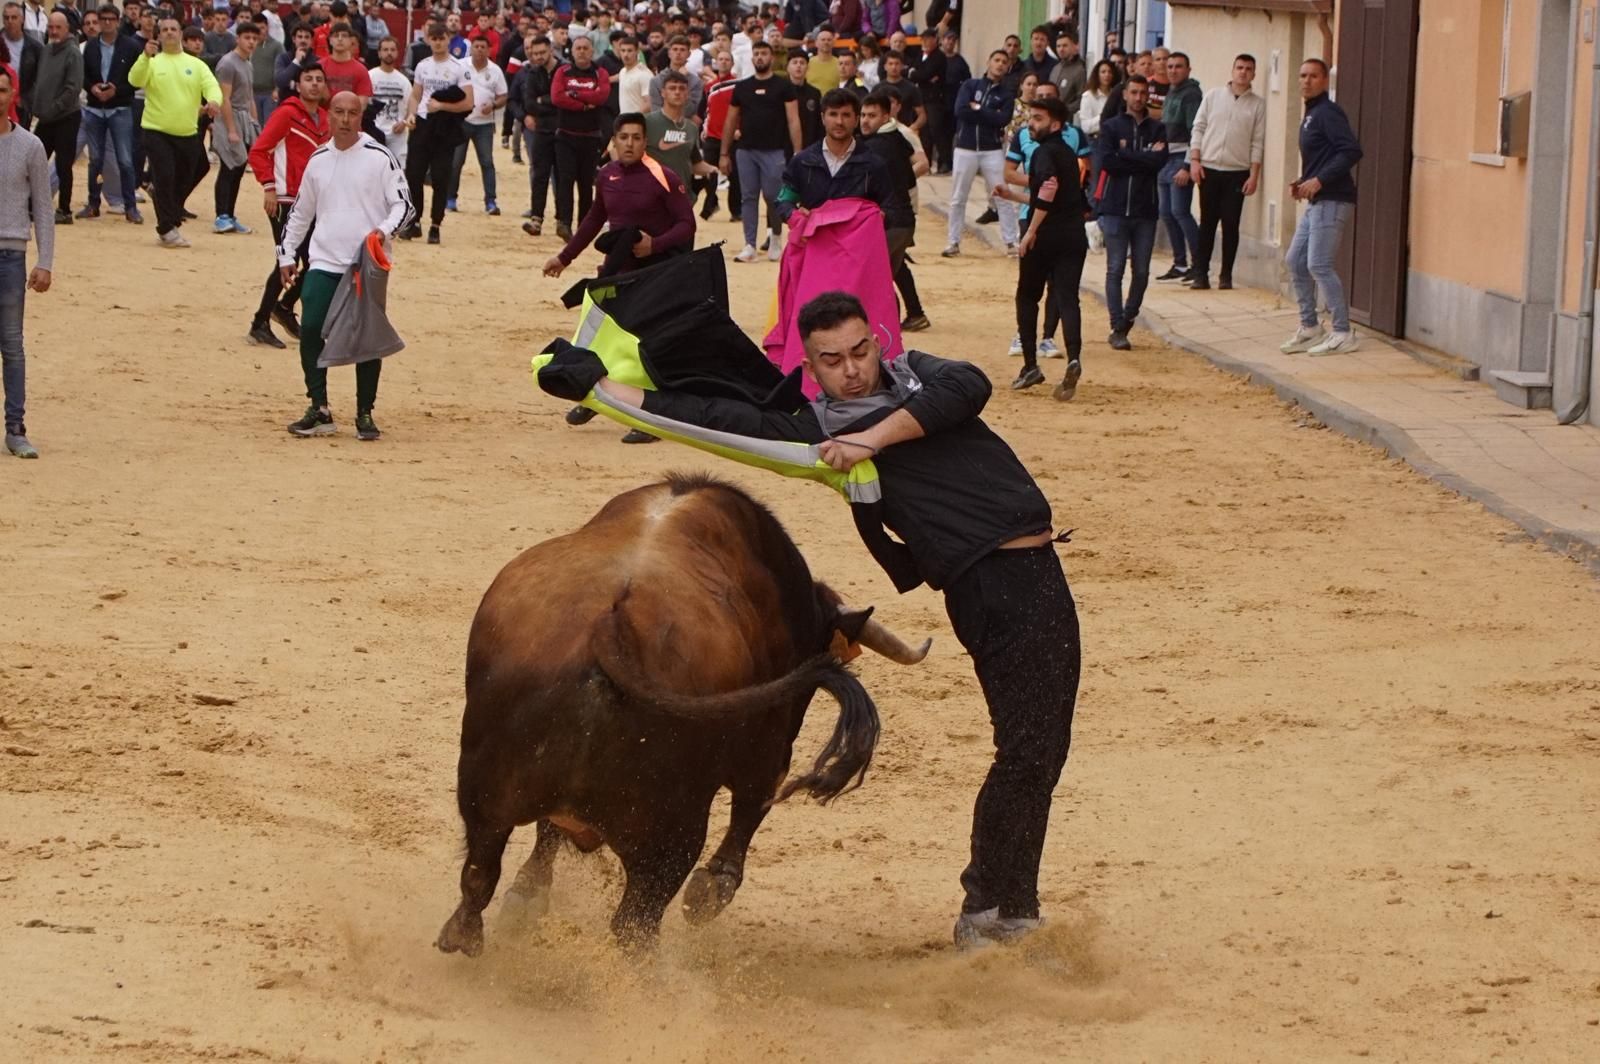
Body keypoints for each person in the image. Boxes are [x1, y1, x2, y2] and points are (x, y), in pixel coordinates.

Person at [550, 289, 1080, 950]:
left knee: (1038, 750)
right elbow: (711, 418)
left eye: (860, 351)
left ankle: (1001, 907)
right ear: (811, 366)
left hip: (1038, 571)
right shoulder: (815, 432)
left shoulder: (917, 377)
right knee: (1029, 750)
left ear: (878, 341)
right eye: (832, 360)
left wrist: (871, 440)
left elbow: (969, 387)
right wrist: (600, 389)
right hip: (994, 584)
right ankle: (999, 913)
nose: (852, 369)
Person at [278, 90, 411, 442]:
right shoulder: (318, 159)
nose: (345, 119)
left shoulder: (379, 157)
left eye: (352, 113)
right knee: (310, 327)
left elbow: (404, 206)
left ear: (361, 115)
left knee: (368, 338)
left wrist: (380, 232)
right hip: (324, 259)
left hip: (366, 262)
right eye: (339, 112)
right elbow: (301, 211)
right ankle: (319, 407)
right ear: (329, 115)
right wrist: (287, 253)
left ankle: (364, 412)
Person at [994, 94, 1086, 398]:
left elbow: (1047, 190)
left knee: (1027, 297)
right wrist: (1013, 197)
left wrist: (1031, 230)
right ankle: (1073, 358)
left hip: (1046, 236)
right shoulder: (1068, 155)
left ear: (1055, 124)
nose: (1031, 124)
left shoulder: (1044, 153)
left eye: (1038, 119)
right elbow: (1052, 196)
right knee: (1067, 297)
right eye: (1031, 117)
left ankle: (1031, 364)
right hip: (1073, 235)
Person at [543, 110, 695, 281]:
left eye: (636, 138)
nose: (629, 144)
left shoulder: (665, 177)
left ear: (645, 142)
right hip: (616, 269)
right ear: (614, 141)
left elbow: (687, 224)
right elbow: (594, 219)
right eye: (623, 137)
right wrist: (564, 258)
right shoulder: (606, 175)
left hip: (656, 273)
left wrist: (654, 245)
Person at [1281, 58, 1363, 356]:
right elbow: (1324, 157)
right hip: (1317, 199)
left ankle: (1343, 331)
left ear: (1325, 80)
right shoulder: (1311, 114)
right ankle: (1311, 327)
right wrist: (1305, 181)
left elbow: (1351, 150)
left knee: (1318, 264)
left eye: (1313, 76)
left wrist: (1320, 180)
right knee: (1295, 260)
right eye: (1302, 75)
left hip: (1333, 199)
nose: (1306, 81)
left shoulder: (1328, 113)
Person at [247, 59, 330, 348]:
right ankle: (261, 321)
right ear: (299, 84)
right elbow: (258, 151)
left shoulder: (325, 119)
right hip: (283, 198)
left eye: (319, 79)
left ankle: (281, 308)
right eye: (309, 79)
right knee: (288, 259)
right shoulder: (286, 115)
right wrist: (269, 187)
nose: (315, 84)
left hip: (311, 202)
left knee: (316, 259)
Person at [128, 15, 221, 249]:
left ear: (180, 34)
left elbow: (211, 85)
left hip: (187, 131)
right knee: (165, 176)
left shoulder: (195, 64)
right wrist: (144, 57)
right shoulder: (152, 62)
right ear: (159, 35)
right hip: (155, 130)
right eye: (165, 29)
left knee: (185, 177)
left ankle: (168, 210)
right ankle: (167, 228)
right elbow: (134, 79)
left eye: (173, 29)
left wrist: (213, 101)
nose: (169, 32)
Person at [0, 63, 51, 458]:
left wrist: (45, 260)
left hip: (10, 255)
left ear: (12, 95)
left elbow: (43, 210)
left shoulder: (30, 146)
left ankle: (15, 428)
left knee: (12, 345)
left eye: (2, 90)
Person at [1095, 74, 1164, 350]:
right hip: (1114, 208)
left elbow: (1158, 162)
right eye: (1133, 92)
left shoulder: (1157, 129)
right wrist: (1142, 158)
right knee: (1115, 269)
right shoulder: (1111, 127)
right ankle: (1116, 324)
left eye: (1142, 93)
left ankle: (1128, 317)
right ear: (1124, 95)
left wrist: (1129, 157)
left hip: (1145, 209)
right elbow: (1108, 163)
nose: (1138, 97)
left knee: (1142, 271)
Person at [718, 39, 801, 264]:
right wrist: (724, 153)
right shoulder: (742, 87)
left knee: (774, 197)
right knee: (748, 197)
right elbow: (730, 121)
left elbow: (793, 120)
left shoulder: (783, 86)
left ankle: (775, 237)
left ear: (771, 57)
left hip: (774, 150)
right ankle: (750, 244)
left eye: (764, 53)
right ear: (752, 57)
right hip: (746, 150)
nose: (760, 58)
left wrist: (798, 152)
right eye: (757, 54)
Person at [1187, 53, 1265, 291]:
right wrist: (1195, 161)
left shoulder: (1258, 104)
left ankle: (1226, 275)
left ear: (1254, 74)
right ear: (1232, 70)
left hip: (1237, 171)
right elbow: (1198, 128)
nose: (1243, 72)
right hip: (1209, 168)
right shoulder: (1212, 97)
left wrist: (1254, 175)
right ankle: (1200, 273)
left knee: (1231, 224)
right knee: (1207, 223)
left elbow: (1257, 141)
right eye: (1239, 67)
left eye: (1248, 69)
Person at [399, 21, 473, 246]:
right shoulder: (423, 65)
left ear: (448, 40)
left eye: (442, 38)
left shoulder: (459, 68)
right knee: (414, 174)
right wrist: (411, 114)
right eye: (435, 38)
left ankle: (435, 224)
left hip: (446, 125)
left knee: (441, 176)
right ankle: (416, 221)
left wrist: (442, 107)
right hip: (423, 122)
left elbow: (469, 102)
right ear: (429, 40)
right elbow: (415, 95)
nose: (438, 42)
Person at [859, 89, 928, 332]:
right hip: (905, 221)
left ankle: (886, 330)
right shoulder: (898, 139)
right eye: (863, 115)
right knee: (890, 273)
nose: (865, 120)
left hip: (889, 222)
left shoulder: (874, 146)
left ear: (886, 116)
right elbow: (910, 178)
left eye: (872, 115)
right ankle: (910, 317)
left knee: (874, 280)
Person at [775, 87, 890, 220]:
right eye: (833, 114)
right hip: (813, 238)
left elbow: (891, 207)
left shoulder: (874, 165)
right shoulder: (802, 161)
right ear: (823, 118)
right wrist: (793, 215)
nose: (839, 122)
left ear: (856, 120)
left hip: (855, 239)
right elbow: (783, 201)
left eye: (846, 115)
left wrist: (882, 217)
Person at [943, 49, 1016, 258]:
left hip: (991, 149)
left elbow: (1002, 120)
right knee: (958, 197)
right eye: (997, 60)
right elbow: (961, 110)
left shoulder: (1006, 94)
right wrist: (988, 113)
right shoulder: (970, 85)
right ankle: (953, 242)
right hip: (965, 147)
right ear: (988, 62)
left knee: (1002, 194)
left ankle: (1011, 241)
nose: (1000, 64)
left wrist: (978, 109)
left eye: (1004, 62)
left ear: (1008, 67)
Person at [77, 3, 141, 223]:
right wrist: (91, 87)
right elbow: (82, 74)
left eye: (110, 19)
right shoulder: (90, 47)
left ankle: (130, 206)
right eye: (102, 18)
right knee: (95, 160)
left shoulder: (131, 47)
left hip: (120, 108)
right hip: (95, 108)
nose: (106, 22)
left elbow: (136, 79)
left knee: (125, 160)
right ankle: (93, 204)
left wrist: (117, 90)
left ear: (118, 20)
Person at [549, 34, 609, 242]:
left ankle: (584, 226)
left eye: (586, 48)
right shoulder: (562, 72)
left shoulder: (600, 72)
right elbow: (557, 97)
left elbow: (602, 96)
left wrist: (573, 94)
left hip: (591, 136)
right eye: (578, 48)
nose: (582, 51)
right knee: (565, 181)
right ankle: (563, 222)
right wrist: (584, 104)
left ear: (592, 51)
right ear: (572, 51)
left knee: (586, 184)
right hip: (565, 135)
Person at [1154, 51, 1200, 285]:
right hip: (1166, 158)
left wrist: (1186, 165)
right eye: (1170, 66)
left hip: (1181, 159)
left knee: (1180, 211)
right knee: (1166, 212)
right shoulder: (1172, 91)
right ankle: (1180, 262)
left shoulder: (1191, 94)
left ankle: (1199, 264)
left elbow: (1196, 131)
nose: (1172, 70)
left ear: (1188, 69)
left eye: (1178, 66)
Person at [30, 11, 80, 224]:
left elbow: (72, 89)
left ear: (67, 28)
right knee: (34, 163)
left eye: (57, 27)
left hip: (66, 117)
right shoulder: (46, 50)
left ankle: (65, 210)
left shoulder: (73, 53)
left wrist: (52, 109)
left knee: (63, 165)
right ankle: (31, 207)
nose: (53, 31)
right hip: (45, 117)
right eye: (50, 27)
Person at [450, 33, 507, 216]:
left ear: (489, 50)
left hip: (484, 124)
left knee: (487, 162)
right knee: (456, 162)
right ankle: (450, 198)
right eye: (477, 46)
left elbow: (503, 96)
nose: (480, 50)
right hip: (462, 121)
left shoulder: (495, 70)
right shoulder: (460, 66)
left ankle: (491, 201)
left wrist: (493, 105)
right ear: (471, 48)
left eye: (483, 47)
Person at [212, 21, 261, 235]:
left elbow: (249, 96)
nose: (251, 42)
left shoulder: (248, 64)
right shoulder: (227, 64)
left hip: (244, 119)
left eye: (254, 39)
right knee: (228, 167)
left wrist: (254, 123)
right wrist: (231, 130)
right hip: (228, 118)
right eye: (247, 38)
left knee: (239, 169)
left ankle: (230, 214)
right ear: (237, 39)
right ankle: (221, 215)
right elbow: (225, 99)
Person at [643, 69, 714, 193]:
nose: (677, 92)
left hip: (681, 196)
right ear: (663, 93)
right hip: (651, 195)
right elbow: (617, 148)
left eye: (682, 88)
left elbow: (695, 163)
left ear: (687, 94)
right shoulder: (646, 122)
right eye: (672, 88)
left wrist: (714, 171)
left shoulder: (691, 128)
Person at [518, 33, 556, 236]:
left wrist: (544, 101)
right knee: (539, 175)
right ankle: (536, 219)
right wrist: (548, 102)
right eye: (535, 54)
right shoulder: (532, 73)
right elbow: (529, 103)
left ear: (551, 50)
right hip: (542, 129)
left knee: (562, 178)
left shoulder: (563, 70)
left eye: (542, 52)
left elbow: (562, 99)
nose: (539, 57)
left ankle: (563, 220)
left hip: (560, 130)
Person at [699, 46, 736, 219]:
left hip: (733, 136)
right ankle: (711, 204)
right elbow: (707, 111)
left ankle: (736, 211)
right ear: (715, 63)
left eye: (727, 59)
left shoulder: (738, 85)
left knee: (735, 177)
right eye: (720, 59)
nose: (723, 62)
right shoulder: (709, 87)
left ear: (732, 63)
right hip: (712, 135)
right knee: (709, 174)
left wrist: (739, 130)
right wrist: (705, 128)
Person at [368, 35, 411, 169]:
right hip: (373, 132)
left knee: (396, 172)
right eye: (385, 49)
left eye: (392, 50)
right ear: (379, 53)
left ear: (397, 53)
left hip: (396, 134)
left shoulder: (404, 81)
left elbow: (411, 107)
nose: (389, 53)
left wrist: (404, 123)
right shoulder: (370, 76)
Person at [908, 28, 946, 173]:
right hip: (921, 97)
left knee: (936, 129)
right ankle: (927, 162)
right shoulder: (920, 55)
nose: (926, 41)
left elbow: (925, 74)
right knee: (924, 132)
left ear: (935, 40)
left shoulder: (939, 57)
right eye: (924, 39)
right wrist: (919, 75)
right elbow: (913, 72)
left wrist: (917, 74)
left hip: (934, 99)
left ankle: (944, 162)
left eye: (929, 38)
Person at [249, 10, 282, 124]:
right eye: (256, 28)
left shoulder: (276, 46)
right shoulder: (248, 46)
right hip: (251, 93)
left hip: (270, 93)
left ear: (267, 27)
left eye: (262, 28)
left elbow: (281, 68)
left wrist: (277, 89)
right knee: (254, 125)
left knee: (269, 126)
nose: (259, 31)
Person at [787, 50, 821, 147]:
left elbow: (818, 123)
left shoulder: (815, 93)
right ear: (788, 67)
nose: (798, 66)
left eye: (802, 63)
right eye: (795, 62)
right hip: (785, 146)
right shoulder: (780, 91)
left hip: (810, 145)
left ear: (807, 67)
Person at [1050, 27, 1084, 123]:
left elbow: (1081, 99)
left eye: (1065, 45)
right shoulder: (1055, 69)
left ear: (1074, 47)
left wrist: (1064, 109)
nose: (1061, 49)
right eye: (1058, 46)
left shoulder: (1080, 70)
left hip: (1068, 120)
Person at [614, 33, 650, 114]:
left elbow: (649, 103)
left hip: (638, 123)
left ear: (637, 51)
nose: (626, 54)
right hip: (624, 121)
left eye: (629, 51)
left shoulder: (644, 74)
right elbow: (615, 78)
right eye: (623, 51)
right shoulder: (622, 71)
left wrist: (633, 119)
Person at [804, 25, 837, 94]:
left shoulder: (840, 64)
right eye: (823, 40)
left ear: (834, 43)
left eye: (829, 40)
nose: (826, 42)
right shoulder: (807, 63)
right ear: (816, 43)